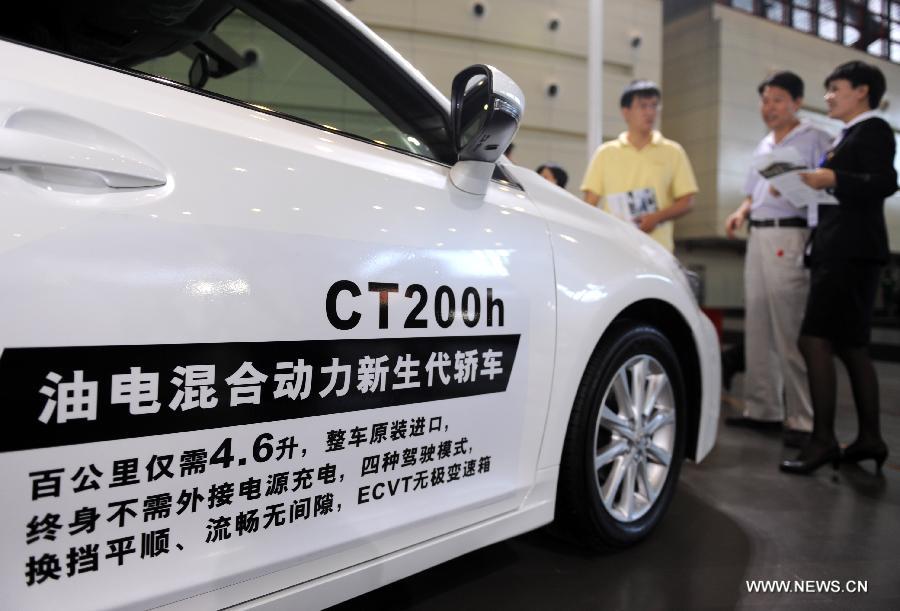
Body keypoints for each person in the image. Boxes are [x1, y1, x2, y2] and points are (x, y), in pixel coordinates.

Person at [781, 60, 897, 475]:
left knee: (814, 341)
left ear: (862, 91)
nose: (828, 96)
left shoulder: (874, 129)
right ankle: (869, 438)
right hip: (843, 248)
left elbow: (886, 181)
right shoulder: (851, 134)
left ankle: (824, 439)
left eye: (836, 88)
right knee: (851, 346)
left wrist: (832, 177)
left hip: (849, 251)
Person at [724, 72, 833, 449]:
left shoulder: (816, 137)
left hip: (792, 231)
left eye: (778, 100)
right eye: (765, 100)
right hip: (759, 233)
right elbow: (753, 192)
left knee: (789, 328)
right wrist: (740, 212)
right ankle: (763, 408)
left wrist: (797, 179)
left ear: (798, 102)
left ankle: (803, 419)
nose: (769, 108)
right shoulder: (763, 144)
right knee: (758, 326)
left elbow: (830, 182)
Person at [581, 80, 698, 252]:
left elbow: (687, 201)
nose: (650, 112)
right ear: (625, 112)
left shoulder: (673, 151)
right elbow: (589, 204)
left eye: (654, 106)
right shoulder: (605, 153)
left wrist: (657, 217)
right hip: (615, 247)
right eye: (642, 106)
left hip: (658, 250)